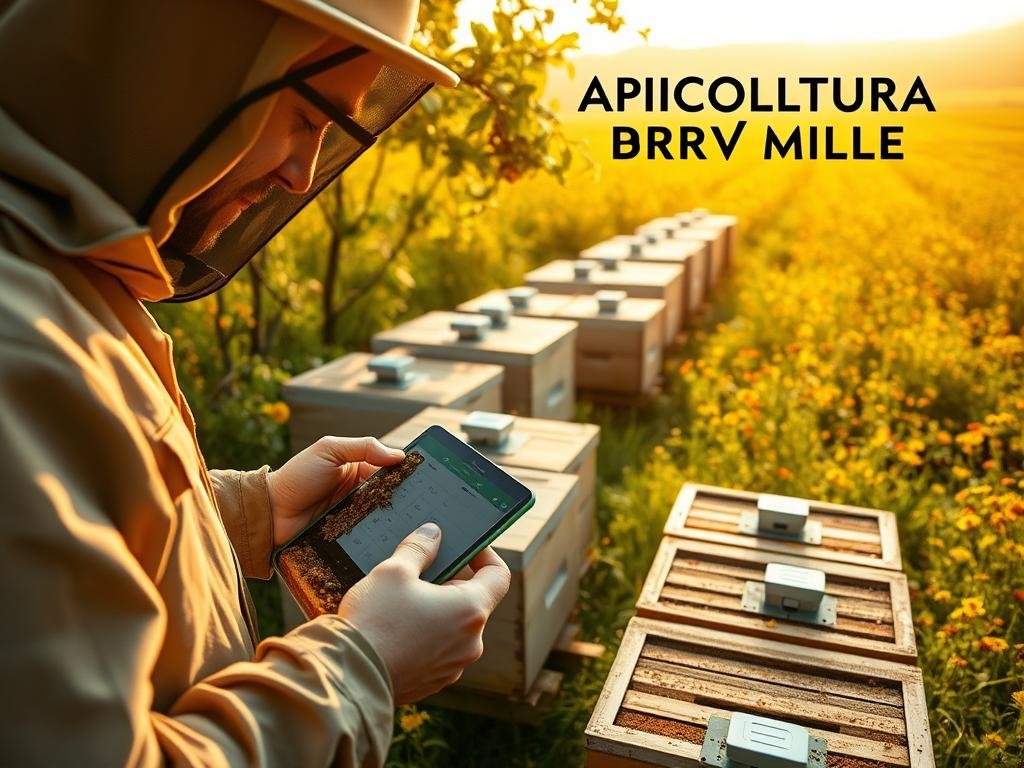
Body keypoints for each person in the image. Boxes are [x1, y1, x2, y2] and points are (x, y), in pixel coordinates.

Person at [0, 0, 511, 765]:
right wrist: (360, 667)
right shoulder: (19, 339)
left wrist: (248, 512)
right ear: (179, 59)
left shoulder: (58, 264)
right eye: (307, 117)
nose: (301, 174)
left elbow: (81, 522)